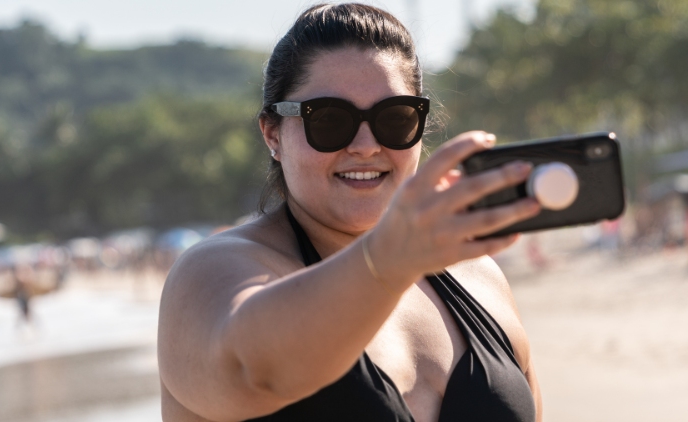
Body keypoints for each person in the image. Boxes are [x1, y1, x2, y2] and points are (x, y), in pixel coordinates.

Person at [158, 4, 543, 421]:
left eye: (394, 118)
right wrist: (388, 260)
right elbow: (256, 372)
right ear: (273, 133)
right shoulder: (215, 271)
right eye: (329, 119)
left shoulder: (477, 277)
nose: (365, 145)